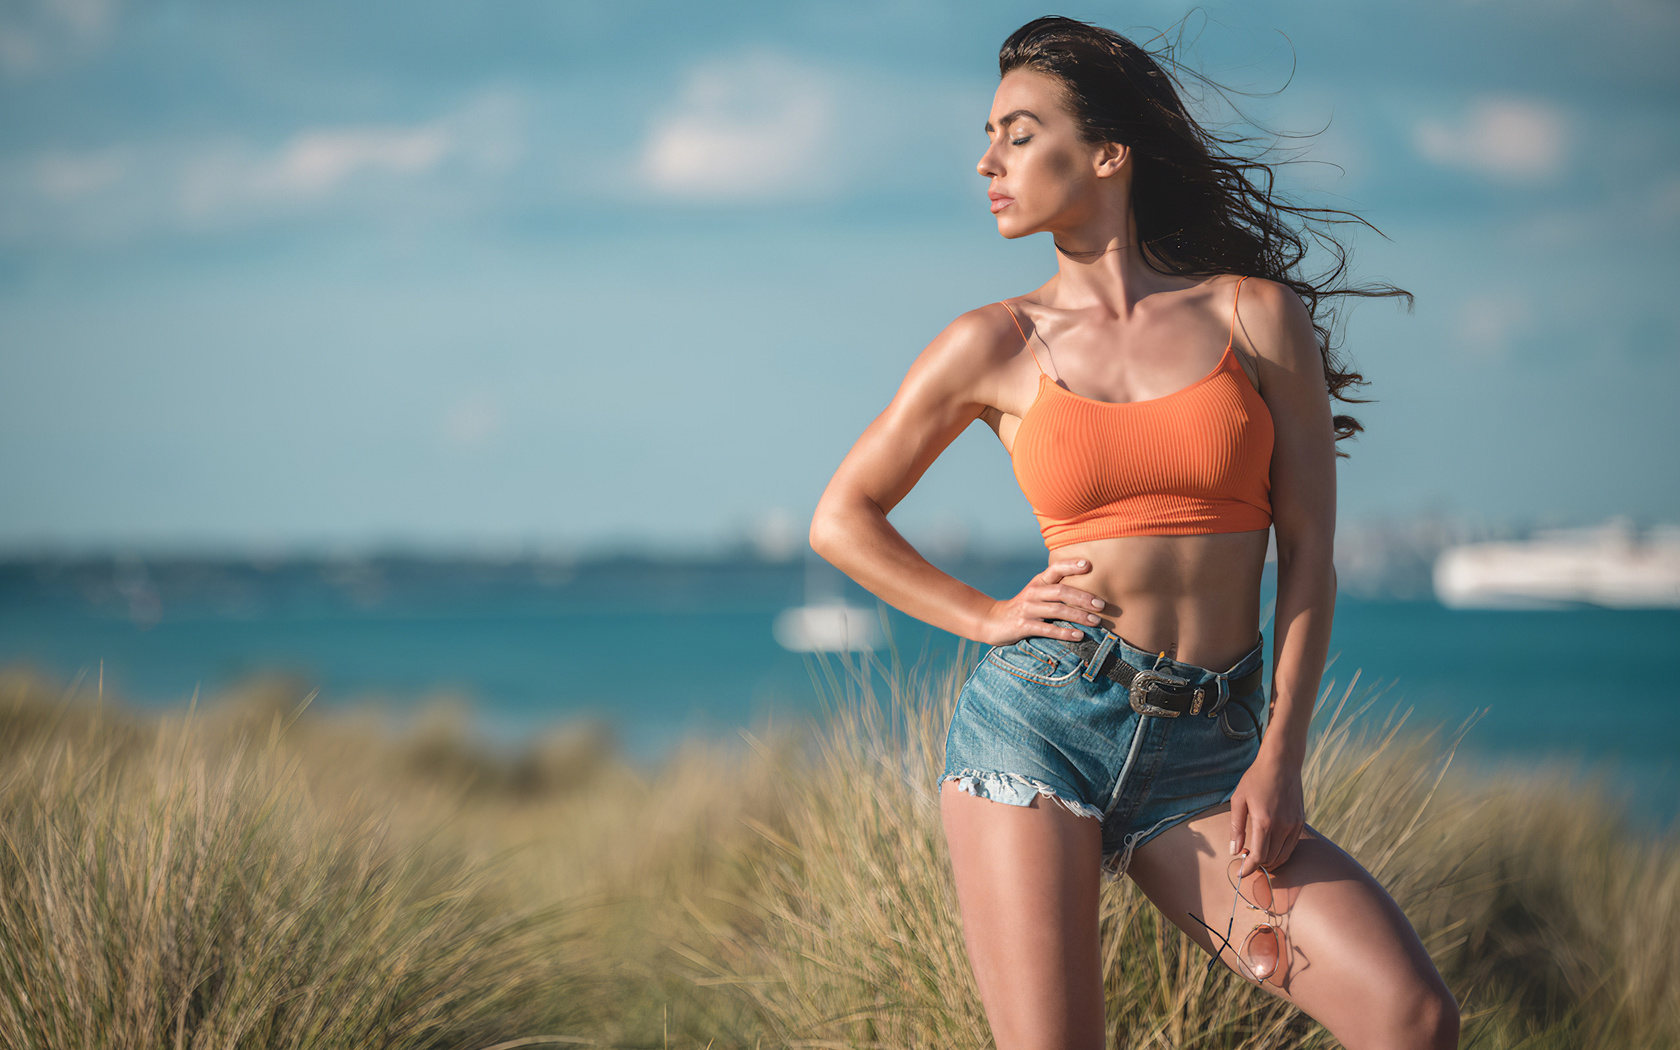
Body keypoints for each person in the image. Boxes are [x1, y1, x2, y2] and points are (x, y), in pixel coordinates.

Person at [808, 15, 1460, 1050]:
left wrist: (1282, 751)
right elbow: (842, 519)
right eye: (988, 135)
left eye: (1019, 134)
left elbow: (1309, 556)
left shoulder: (1255, 316)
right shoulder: (993, 341)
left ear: (1110, 153)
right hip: (1040, 729)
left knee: (1408, 1016)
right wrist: (986, 616)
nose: (987, 160)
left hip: (1214, 750)